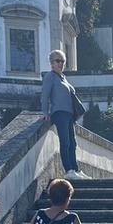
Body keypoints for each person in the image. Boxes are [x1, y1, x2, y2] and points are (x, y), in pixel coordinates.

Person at [41, 49, 90, 180]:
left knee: (73, 143)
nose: (61, 63)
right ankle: (68, 170)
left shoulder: (62, 77)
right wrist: (45, 112)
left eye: (63, 61)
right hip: (59, 113)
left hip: (69, 114)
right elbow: (45, 95)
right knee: (65, 142)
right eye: (58, 61)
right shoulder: (50, 77)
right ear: (52, 63)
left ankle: (75, 169)